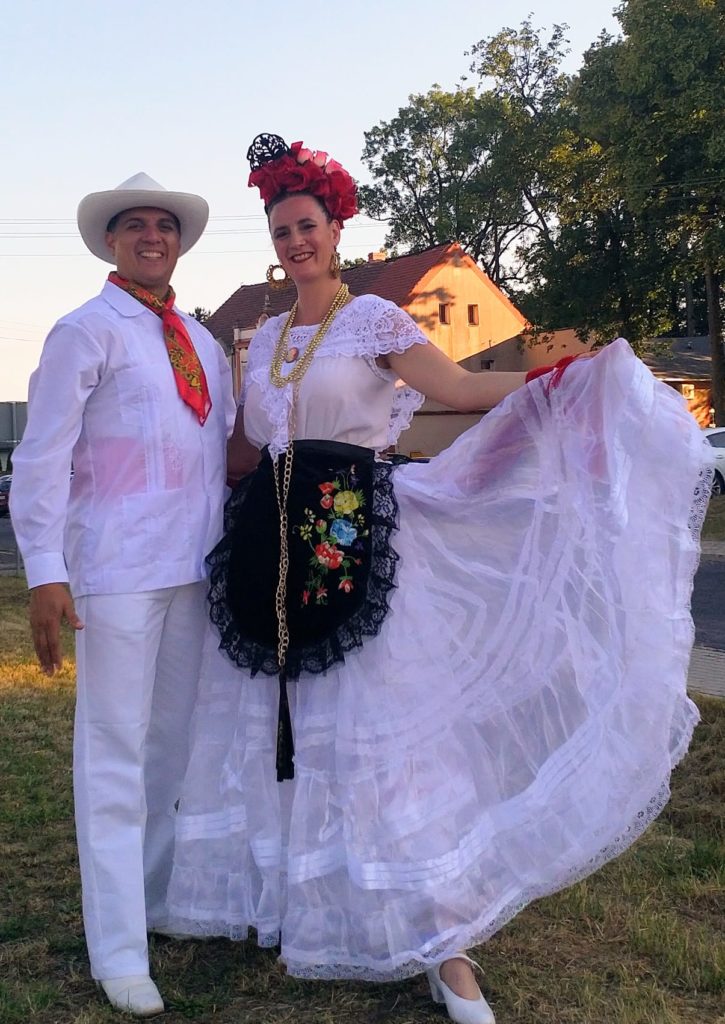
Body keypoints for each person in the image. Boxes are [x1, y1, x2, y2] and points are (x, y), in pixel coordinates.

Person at [164, 135, 713, 1024]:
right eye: (281, 229)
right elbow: (240, 446)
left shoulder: (374, 320)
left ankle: (441, 942)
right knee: (276, 730)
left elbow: (457, 390)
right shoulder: (262, 340)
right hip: (267, 549)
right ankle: (297, 901)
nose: (296, 241)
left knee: (382, 741)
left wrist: (562, 376)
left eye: (307, 225)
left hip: (354, 539)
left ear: (335, 230)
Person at [10, 173, 236, 1017]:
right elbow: (41, 456)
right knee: (113, 752)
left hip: (194, 568)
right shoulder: (85, 331)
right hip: (114, 572)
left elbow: (224, 448)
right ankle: (117, 950)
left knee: (170, 751)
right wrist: (45, 570)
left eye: (164, 226)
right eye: (134, 225)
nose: (151, 236)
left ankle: (153, 900)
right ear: (111, 240)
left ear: (178, 242)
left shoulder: (202, 342)